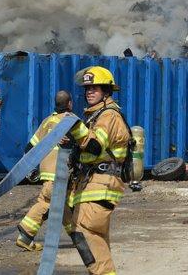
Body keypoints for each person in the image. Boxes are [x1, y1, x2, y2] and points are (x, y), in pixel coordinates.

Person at [68, 66, 131, 275]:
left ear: (106, 91)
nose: (89, 92)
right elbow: (85, 150)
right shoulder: (95, 116)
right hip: (92, 182)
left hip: (101, 184)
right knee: (97, 239)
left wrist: (74, 127)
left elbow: (94, 148)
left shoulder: (108, 116)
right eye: (87, 89)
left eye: (94, 88)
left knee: (84, 231)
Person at [16, 91, 89, 251]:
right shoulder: (72, 121)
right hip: (61, 173)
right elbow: (87, 144)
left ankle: (78, 237)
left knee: (64, 206)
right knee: (47, 203)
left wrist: (33, 168)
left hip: (48, 173)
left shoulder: (47, 122)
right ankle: (25, 233)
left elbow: (30, 147)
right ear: (69, 103)